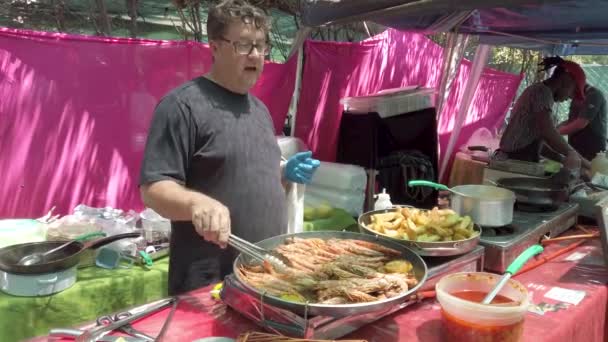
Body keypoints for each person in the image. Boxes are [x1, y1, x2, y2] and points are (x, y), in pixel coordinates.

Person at [138, 0, 320, 296]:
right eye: (243, 45)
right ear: (215, 46)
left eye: (261, 46)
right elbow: (154, 189)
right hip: (208, 283)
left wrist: (285, 176)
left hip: (265, 276)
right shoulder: (182, 106)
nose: (256, 55)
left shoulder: (259, 110)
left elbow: (247, 178)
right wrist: (198, 204)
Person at [498, 56, 590, 174]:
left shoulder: (540, 92)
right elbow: (548, 132)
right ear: (566, 80)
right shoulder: (542, 92)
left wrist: (562, 158)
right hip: (514, 162)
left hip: (515, 160)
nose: (569, 98)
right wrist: (573, 154)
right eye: (573, 91)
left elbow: (537, 142)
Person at [558, 82, 607, 161]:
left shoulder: (594, 95)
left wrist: (556, 132)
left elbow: (581, 122)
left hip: (591, 147)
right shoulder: (578, 97)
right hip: (577, 146)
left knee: (587, 170)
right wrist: (556, 127)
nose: (567, 98)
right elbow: (573, 120)